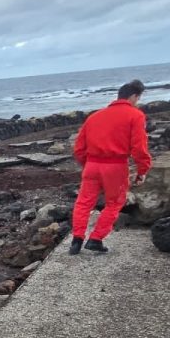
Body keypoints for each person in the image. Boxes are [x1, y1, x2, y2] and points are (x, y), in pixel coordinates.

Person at [68, 79, 152, 255]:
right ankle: (96, 238)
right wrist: (142, 171)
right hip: (115, 166)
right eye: (138, 98)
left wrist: (87, 164)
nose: (137, 102)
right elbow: (139, 147)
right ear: (134, 96)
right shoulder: (135, 115)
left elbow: (79, 148)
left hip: (92, 165)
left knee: (83, 203)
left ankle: (76, 240)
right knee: (114, 203)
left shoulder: (94, 116)